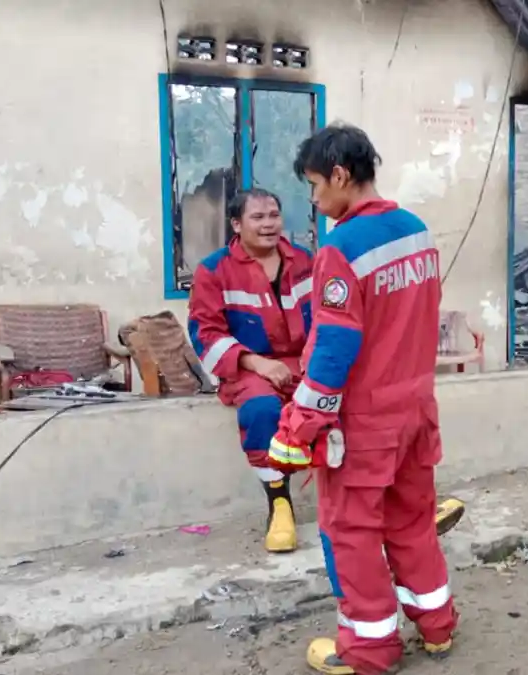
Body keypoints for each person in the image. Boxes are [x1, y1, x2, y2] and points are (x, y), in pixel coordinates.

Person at [267, 123, 458, 675]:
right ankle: (438, 627)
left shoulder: (340, 249)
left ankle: (370, 650)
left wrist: (296, 429)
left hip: (366, 425)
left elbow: (334, 350)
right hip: (416, 413)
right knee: (413, 522)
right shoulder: (416, 231)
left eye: (314, 185)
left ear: (341, 176)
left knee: (350, 534)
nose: (314, 198)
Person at [187, 188, 316, 554]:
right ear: (236, 224)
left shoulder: (306, 260)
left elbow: (326, 316)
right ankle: (279, 504)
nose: (268, 224)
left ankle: (381, 498)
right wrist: (257, 363)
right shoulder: (214, 271)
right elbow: (206, 333)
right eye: (257, 217)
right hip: (249, 367)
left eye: (273, 215)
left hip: (304, 361)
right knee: (261, 412)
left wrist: (315, 357)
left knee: (353, 401)